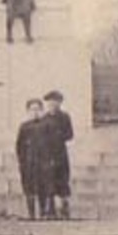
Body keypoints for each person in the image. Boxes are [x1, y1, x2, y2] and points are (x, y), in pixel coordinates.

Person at [41, 90, 75, 219]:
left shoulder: (65, 117)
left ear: (60, 103)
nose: (52, 105)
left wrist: (58, 136)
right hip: (47, 155)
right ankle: (50, 210)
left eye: (55, 102)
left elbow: (70, 135)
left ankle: (64, 209)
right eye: (50, 103)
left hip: (60, 153)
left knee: (63, 180)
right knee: (49, 180)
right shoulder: (44, 119)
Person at [15, 97, 51, 220]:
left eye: (37, 109)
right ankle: (31, 214)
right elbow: (19, 146)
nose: (35, 112)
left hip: (43, 162)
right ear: (28, 111)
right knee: (29, 188)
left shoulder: (47, 125)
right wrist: (22, 161)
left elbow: (52, 144)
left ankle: (43, 212)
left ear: (41, 110)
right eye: (32, 109)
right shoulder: (24, 127)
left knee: (43, 187)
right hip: (29, 163)